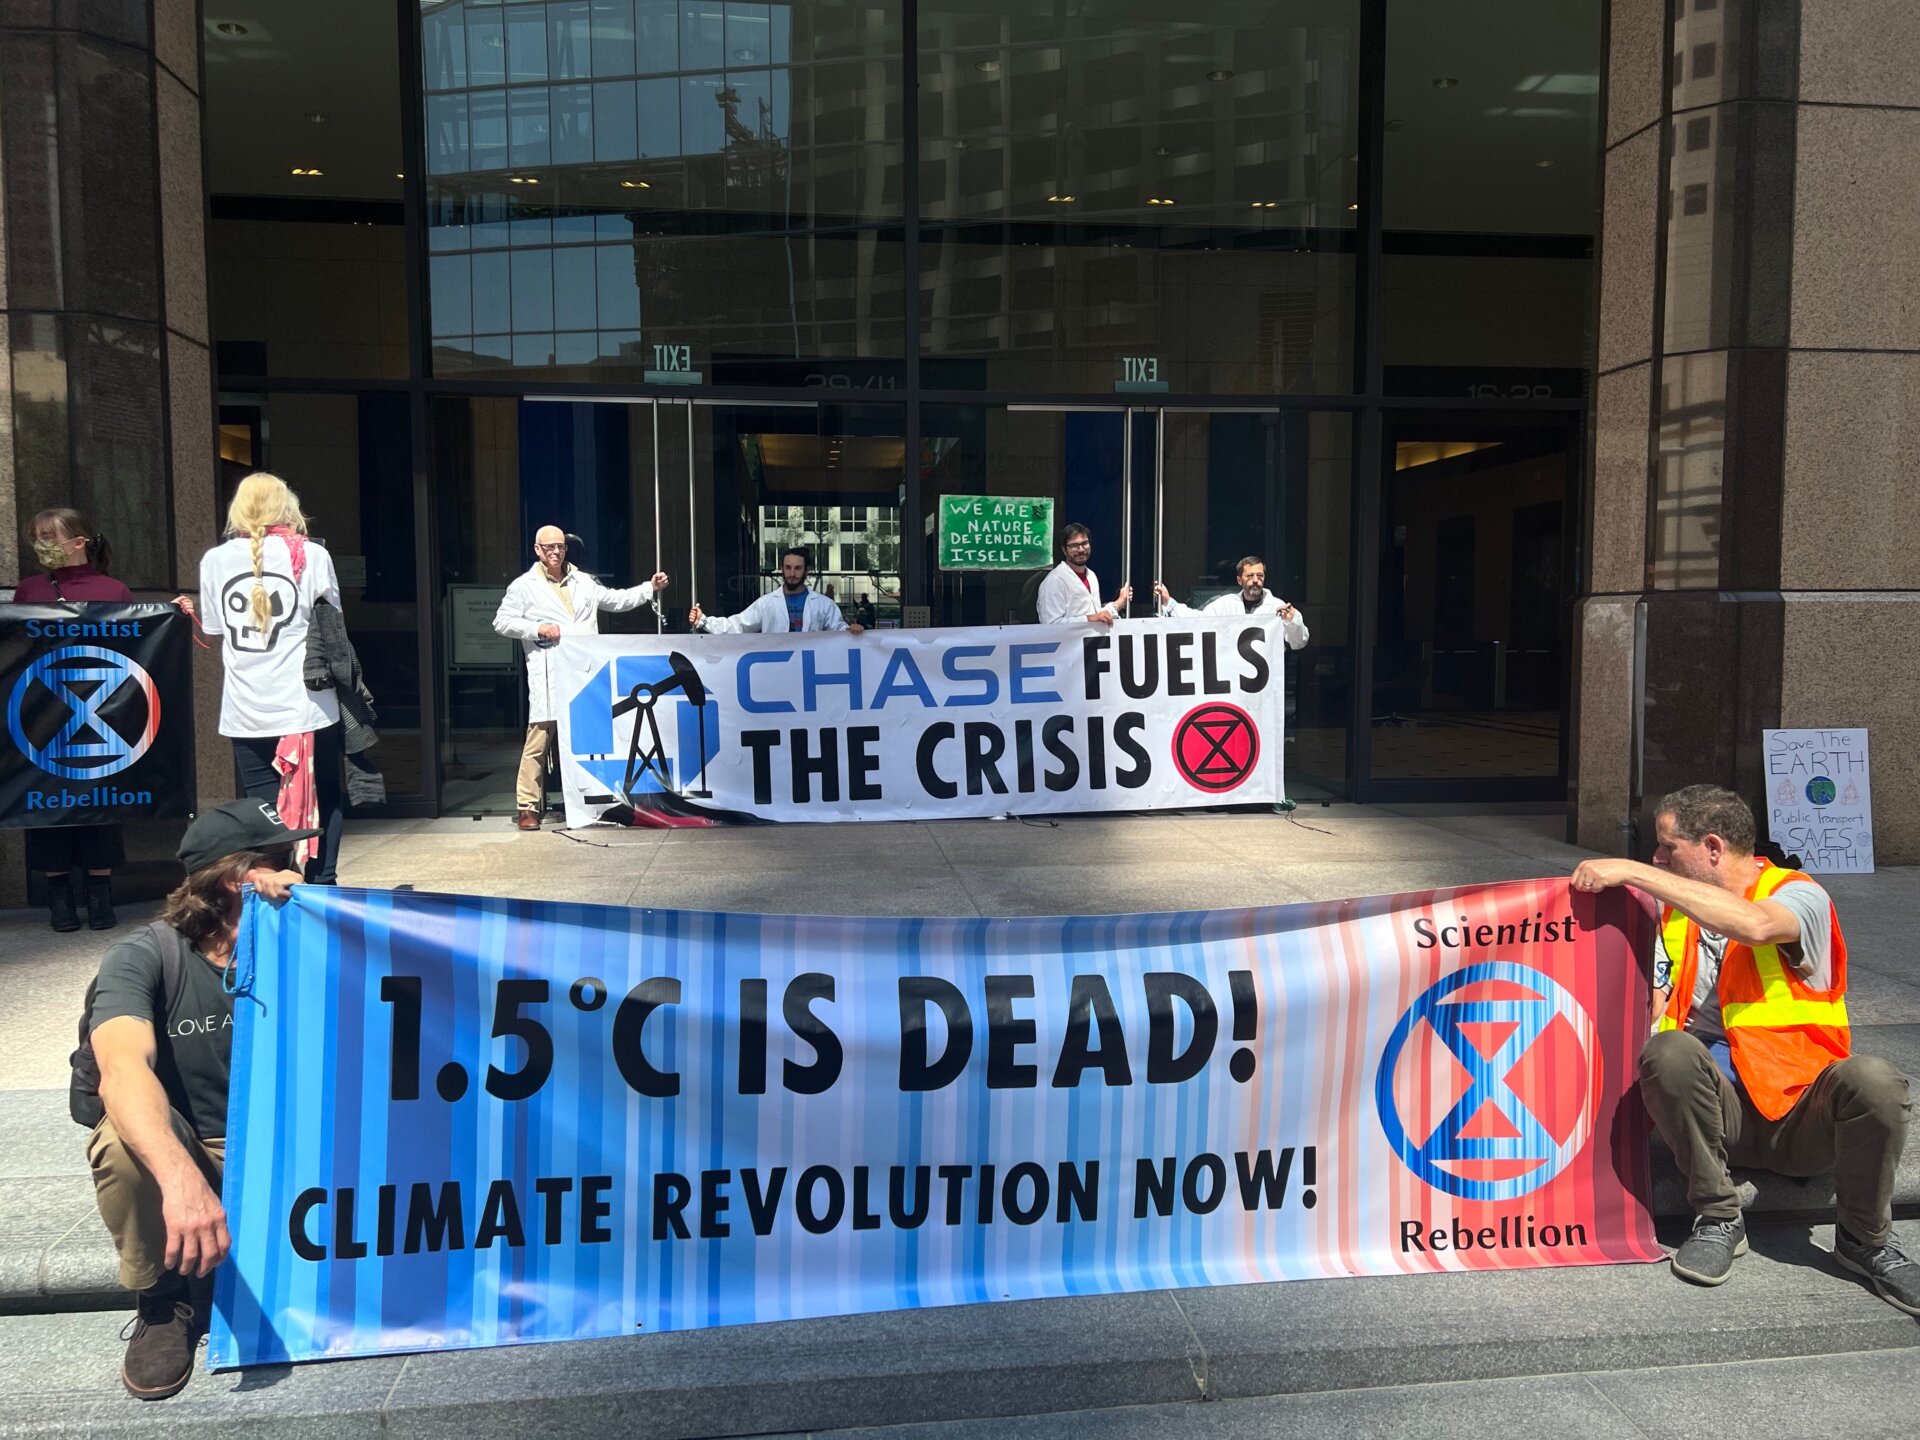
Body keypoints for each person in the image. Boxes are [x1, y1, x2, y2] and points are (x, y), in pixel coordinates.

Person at [1570, 784, 1916, 1311]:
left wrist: (1634, 872)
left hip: (1803, 1114)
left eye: (1667, 847)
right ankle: (1717, 1217)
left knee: (1876, 1079)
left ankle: (1864, 1241)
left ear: (1712, 847)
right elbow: (1645, 1002)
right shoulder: (1674, 916)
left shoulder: (1800, 894)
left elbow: (1755, 927)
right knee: (1669, 1051)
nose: (1657, 858)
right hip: (1720, 1117)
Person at [81, 799, 311, 1400]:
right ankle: (161, 1299)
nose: (298, 869)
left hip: (291, 1144)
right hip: (203, 1147)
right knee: (123, 1140)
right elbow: (121, 1069)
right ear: (237, 877)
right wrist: (183, 1183)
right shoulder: (145, 955)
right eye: (282, 858)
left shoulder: (303, 933)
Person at [193, 473, 346, 884]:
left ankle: (272, 884)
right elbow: (332, 620)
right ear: (287, 507)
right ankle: (322, 885)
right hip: (307, 705)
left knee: (262, 807)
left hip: (247, 706)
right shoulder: (311, 555)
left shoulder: (214, 560)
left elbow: (214, 627)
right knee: (325, 797)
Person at [492, 525, 669, 831]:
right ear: (537, 550)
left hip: (584, 675)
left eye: (560, 546)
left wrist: (648, 588)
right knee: (539, 741)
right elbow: (501, 621)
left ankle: (597, 802)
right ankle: (527, 806)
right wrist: (537, 629)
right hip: (548, 672)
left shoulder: (584, 581)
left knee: (589, 741)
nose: (556, 552)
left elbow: (616, 600)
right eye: (549, 548)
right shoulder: (524, 586)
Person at [13, 508, 136, 931]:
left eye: (49, 535)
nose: (41, 543)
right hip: (44, 714)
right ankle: (59, 895)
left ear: (78, 540)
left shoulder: (115, 590)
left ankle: (100, 894)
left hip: (102, 711)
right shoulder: (28, 590)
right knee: (48, 801)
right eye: (36, 536)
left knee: (101, 800)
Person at [689, 547, 865, 636]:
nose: (792, 573)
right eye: (788, 568)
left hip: (811, 672)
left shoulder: (823, 604)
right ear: (782, 568)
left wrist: (853, 630)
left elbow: (840, 632)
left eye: (797, 568)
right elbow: (738, 625)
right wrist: (704, 621)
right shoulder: (767, 603)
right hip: (776, 674)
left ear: (806, 571)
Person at [1152, 554, 1310, 652]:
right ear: (1239, 580)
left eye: (1259, 575)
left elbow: (1299, 643)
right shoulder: (1226, 604)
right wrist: (1169, 601)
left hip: (1266, 686)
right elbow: (1198, 620)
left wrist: (1292, 621)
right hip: (1233, 682)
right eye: (1250, 576)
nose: (1255, 580)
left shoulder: (1278, 607)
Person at [1037, 523, 1132, 625]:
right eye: (1074, 545)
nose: (1081, 549)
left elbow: (1097, 614)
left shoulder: (1091, 576)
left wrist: (1120, 601)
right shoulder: (1054, 581)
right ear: (1064, 550)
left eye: (1085, 543)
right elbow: (1050, 625)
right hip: (1070, 641)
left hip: (1093, 640)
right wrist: (1089, 618)